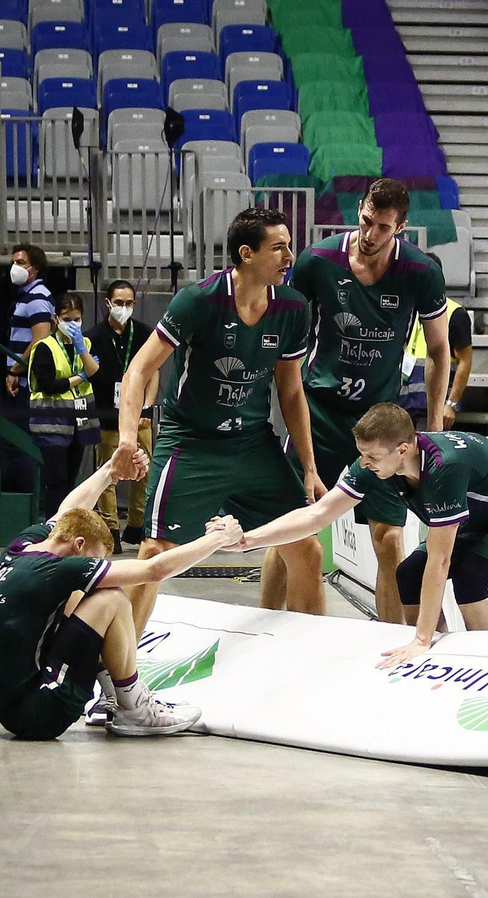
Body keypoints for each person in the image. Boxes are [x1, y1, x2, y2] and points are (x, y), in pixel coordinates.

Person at [110, 206, 327, 639]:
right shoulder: (198, 300)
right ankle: (119, 676)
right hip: (190, 442)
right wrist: (128, 440)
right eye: (279, 248)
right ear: (246, 254)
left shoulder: (293, 307)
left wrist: (308, 465)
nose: (290, 257)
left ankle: (310, 656)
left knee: (305, 545)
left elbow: (291, 390)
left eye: (290, 246)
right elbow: (138, 371)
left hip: (252, 444)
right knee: (155, 551)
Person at [236, 403, 488, 669]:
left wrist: (420, 638)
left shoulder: (444, 468)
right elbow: (319, 513)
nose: (364, 462)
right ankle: (440, 655)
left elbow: (441, 559)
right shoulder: (378, 464)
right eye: (361, 454)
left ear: (402, 450)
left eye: (371, 456)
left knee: (470, 575)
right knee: (408, 574)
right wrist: (251, 538)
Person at [262, 178, 452, 625]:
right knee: (290, 529)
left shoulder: (421, 272)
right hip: (321, 414)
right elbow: (287, 336)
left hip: (383, 425)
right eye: (366, 221)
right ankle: (263, 630)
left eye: (382, 227)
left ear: (400, 227)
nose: (370, 234)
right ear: (360, 209)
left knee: (389, 541)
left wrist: (438, 423)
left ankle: (388, 645)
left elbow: (442, 350)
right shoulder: (318, 260)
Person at [0, 451, 242, 739]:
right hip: (40, 714)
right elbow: (153, 570)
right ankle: (135, 708)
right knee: (111, 598)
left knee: (79, 594)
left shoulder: (23, 547)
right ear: (77, 544)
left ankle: (112, 694)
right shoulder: (55, 570)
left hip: (8, 705)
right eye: (95, 557)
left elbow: (68, 512)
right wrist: (218, 538)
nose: (95, 563)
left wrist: (111, 471)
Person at [88, 278, 156, 551]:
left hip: (139, 416)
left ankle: (137, 525)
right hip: (108, 415)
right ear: (108, 303)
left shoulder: (143, 334)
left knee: (145, 470)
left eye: (129, 303)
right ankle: (111, 527)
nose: (124, 308)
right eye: (119, 303)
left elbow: (153, 372)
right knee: (109, 472)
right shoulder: (93, 337)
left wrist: (148, 406)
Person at [27, 292, 100, 520]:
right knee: (56, 480)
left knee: (71, 480)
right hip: (52, 423)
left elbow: (94, 371)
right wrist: (79, 377)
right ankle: (52, 526)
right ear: (56, 318)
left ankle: (68, 526)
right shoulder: (44, 347)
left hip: (79, 422)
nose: (72, 324)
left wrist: (81, 349)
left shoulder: (85, 343)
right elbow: (49, 385)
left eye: (76, 319)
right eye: (67, 319)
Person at [0, 243, 56, 494]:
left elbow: (40, 340)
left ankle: (32, 499)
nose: (15, 267)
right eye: (14, 262)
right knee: (14, 440)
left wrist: (16, 370)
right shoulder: (26, 296)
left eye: (21, 263)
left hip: (27, 384)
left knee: (20, 443)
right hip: (20, 380)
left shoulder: (38, 297)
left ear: (35, 268)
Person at [399, 253, 474, 429]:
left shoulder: (454, 313)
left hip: (434, 407)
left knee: (429, 454)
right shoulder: (407, 310)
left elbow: (465, 361)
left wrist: (451, 404)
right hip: (403, 405)